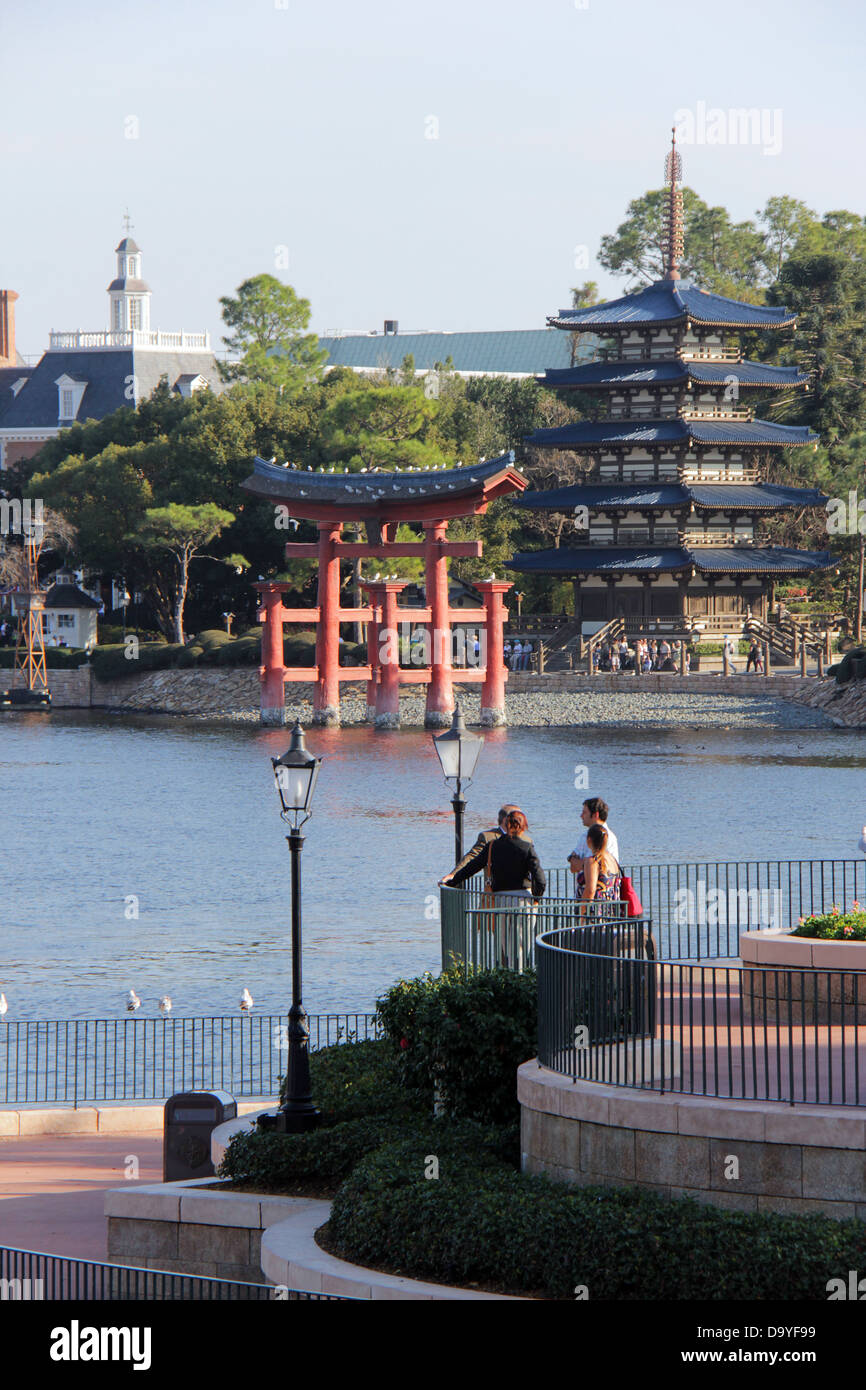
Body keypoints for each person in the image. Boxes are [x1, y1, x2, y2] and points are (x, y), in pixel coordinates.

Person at [447, 808, 545, 968]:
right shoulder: (527, 848)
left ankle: (507, 977)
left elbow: (473, 866)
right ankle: (519, 979)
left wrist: (453, 880)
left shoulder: (493, 846)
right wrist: (536, 898)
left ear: (505, 825)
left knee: (506, 944)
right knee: (522, 944)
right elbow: (540, 879)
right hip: (522, 900)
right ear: (523, 826)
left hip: (500, 900)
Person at [440, 804, 533, 884]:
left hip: (522, 891)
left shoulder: (526, 840)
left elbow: (534, 866)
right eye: (518, 817)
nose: (522, 821)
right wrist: (453, 875)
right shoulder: (488, 837)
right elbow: (472, 857)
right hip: (495, 892)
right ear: (506, 820)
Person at [574, 822, 622, 915]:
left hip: (595, 913)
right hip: (610, 911)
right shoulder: (612, 860)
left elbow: (590, 890)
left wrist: (582, 914)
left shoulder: (592, 861)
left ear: (589, 840)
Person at [568, 796, 620, 876]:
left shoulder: (608, 837)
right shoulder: (584, 836)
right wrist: (585, 864)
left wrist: (579, 862)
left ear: (596, 815)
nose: (581, 816)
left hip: (600, 886)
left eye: (584, 812)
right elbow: (573, 868)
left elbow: (601, 867)